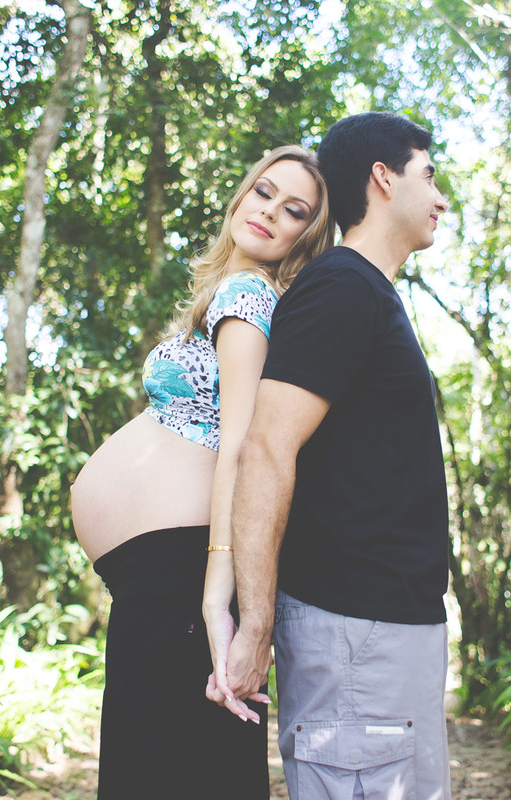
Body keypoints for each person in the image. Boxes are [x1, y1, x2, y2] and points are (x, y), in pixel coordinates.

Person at [70, 144, 334, 800]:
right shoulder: (227, 293)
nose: (271, 212)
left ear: (308, 234)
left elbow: (244, 445)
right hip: (159, 582)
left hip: (185, 579)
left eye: (294, 209)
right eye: (264, 192)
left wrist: (220, 600)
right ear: (242, 195)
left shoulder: (247, 296)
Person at [216, 112, 453, 800]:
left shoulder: (367, 293)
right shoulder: (342, 287)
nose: (439, 198)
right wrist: (255, 624)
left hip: (386, 633)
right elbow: (264, 449)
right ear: (383, 178)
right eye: (428, 176)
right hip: (356, 634)